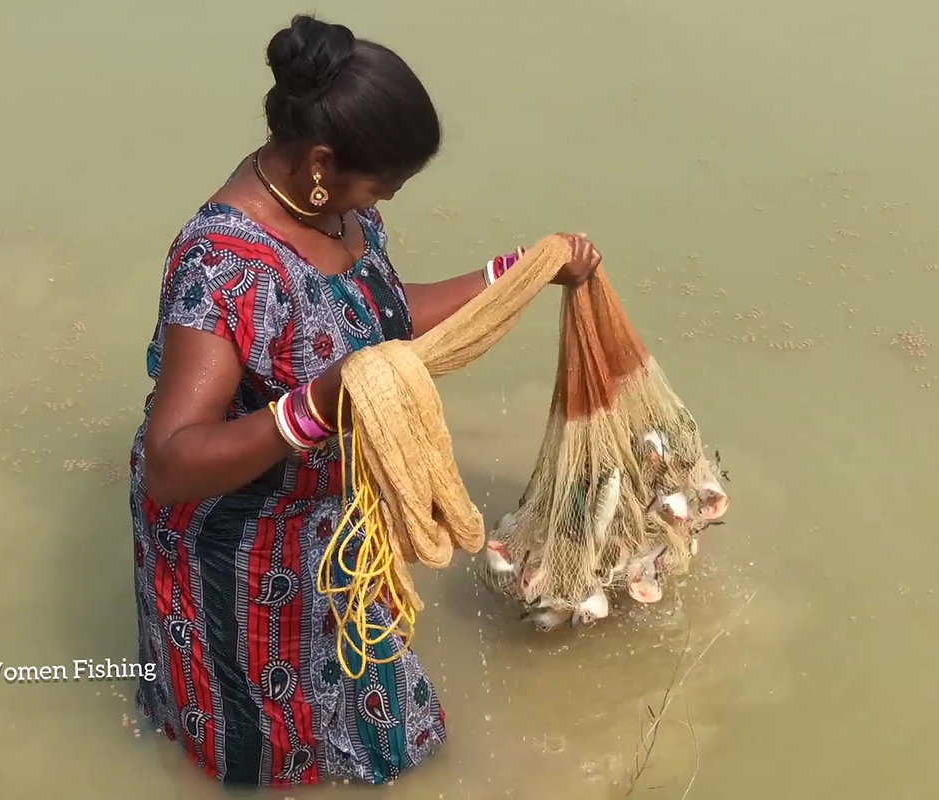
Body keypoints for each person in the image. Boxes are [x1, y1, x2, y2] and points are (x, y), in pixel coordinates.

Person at [127, 14, 602, 789]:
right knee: (268, 759)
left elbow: (374, 315)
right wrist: (313, 407)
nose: (389, 197)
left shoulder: (339, 211)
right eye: (386, 182)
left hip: (339, 530)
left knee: (400, 744)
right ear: (322, 160)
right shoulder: (221, 264)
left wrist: (516, 273)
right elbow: (172, 463)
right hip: (243, 558)